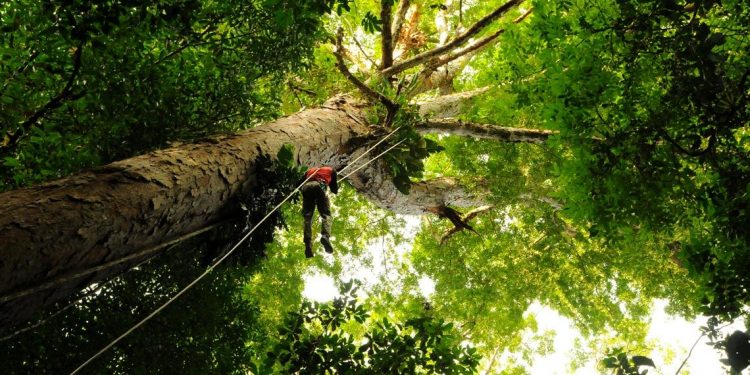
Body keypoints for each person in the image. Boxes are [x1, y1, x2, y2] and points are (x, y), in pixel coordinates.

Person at [300, 166, 338, 258]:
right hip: (320, 186)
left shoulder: (309, 171)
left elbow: (298, 184)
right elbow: (334, 189)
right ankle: (325, 236)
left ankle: (308, 244)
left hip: (307, 187)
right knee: (326, 215)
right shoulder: (331, 170)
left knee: (307, 217)